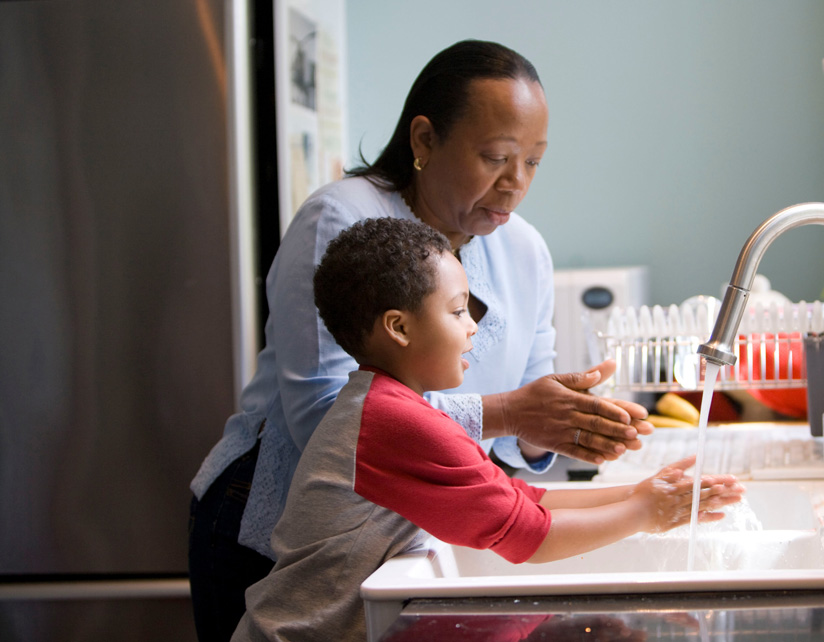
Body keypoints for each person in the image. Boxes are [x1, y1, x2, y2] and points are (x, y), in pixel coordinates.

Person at [189, 39, 654, 641]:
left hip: (404, 533)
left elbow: (515, 444)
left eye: (534, 162)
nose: (516, 183)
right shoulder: (341, 217)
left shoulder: (525, 249)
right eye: (496, 157)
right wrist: (510, 412)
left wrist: (555, 426)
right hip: (270, 522)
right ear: (424, 140)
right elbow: (326, 421)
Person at [231, 217, 744, 641]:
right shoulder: (394, 422)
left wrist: (634, 492)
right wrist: (645, 512)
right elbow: (529, 538)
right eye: (457, 311)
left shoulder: (392, 406)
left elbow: (518, 498)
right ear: (400, 328)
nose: (473, 326)